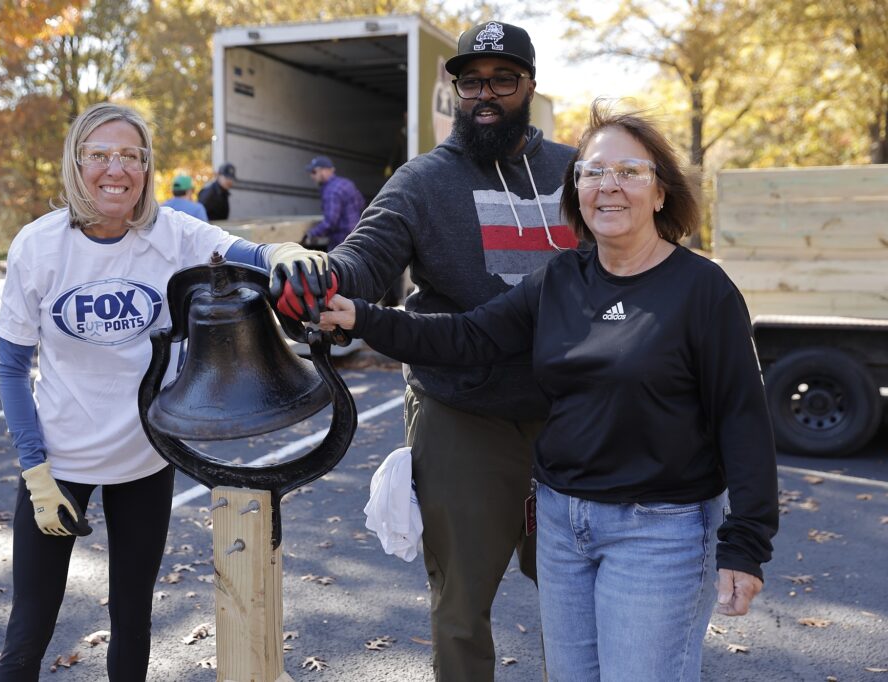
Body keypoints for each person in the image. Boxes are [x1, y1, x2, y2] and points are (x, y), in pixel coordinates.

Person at [318, 101, 780, 682]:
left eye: (630, 172)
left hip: (658, 530)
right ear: (577, 194)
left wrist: (746, 543)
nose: (609, 187)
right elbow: (466, 337)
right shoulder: (561, 279)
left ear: (660, 192)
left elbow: (743, 419)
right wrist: (358, 316)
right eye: (593, 173)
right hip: (564, 526)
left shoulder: (702, 291)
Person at [274, 21, 575, 681]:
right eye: (470, 82)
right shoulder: (424, 181)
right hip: (464, 413)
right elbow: (364, 257)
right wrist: (317, 273)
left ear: (529, 84)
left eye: (502, 79)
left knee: (580, 599)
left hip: (574, 417)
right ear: (456, 92)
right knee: (463, 608)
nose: (485, 94)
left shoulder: (574, 171)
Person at [0, 102, 328, 681]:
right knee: (29, 628)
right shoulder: (38, 246)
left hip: (147, 458)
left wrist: (281, 253)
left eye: (130, 156)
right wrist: (35, 470)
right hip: (58, 466)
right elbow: (11, 367)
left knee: (133, 616)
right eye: (99, 155)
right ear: (76, 163)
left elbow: (239, 251)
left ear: (146, 168)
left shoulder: (170, 234)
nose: (114, 169)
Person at [303, 155, 365, 250]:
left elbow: (330, 223)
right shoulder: (347, 183)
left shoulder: (331, 191)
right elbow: (362, 204)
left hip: (341, 244)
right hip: (357, 238)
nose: (312, 176)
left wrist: (310, 234)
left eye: (314, 172)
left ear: (323, 171)